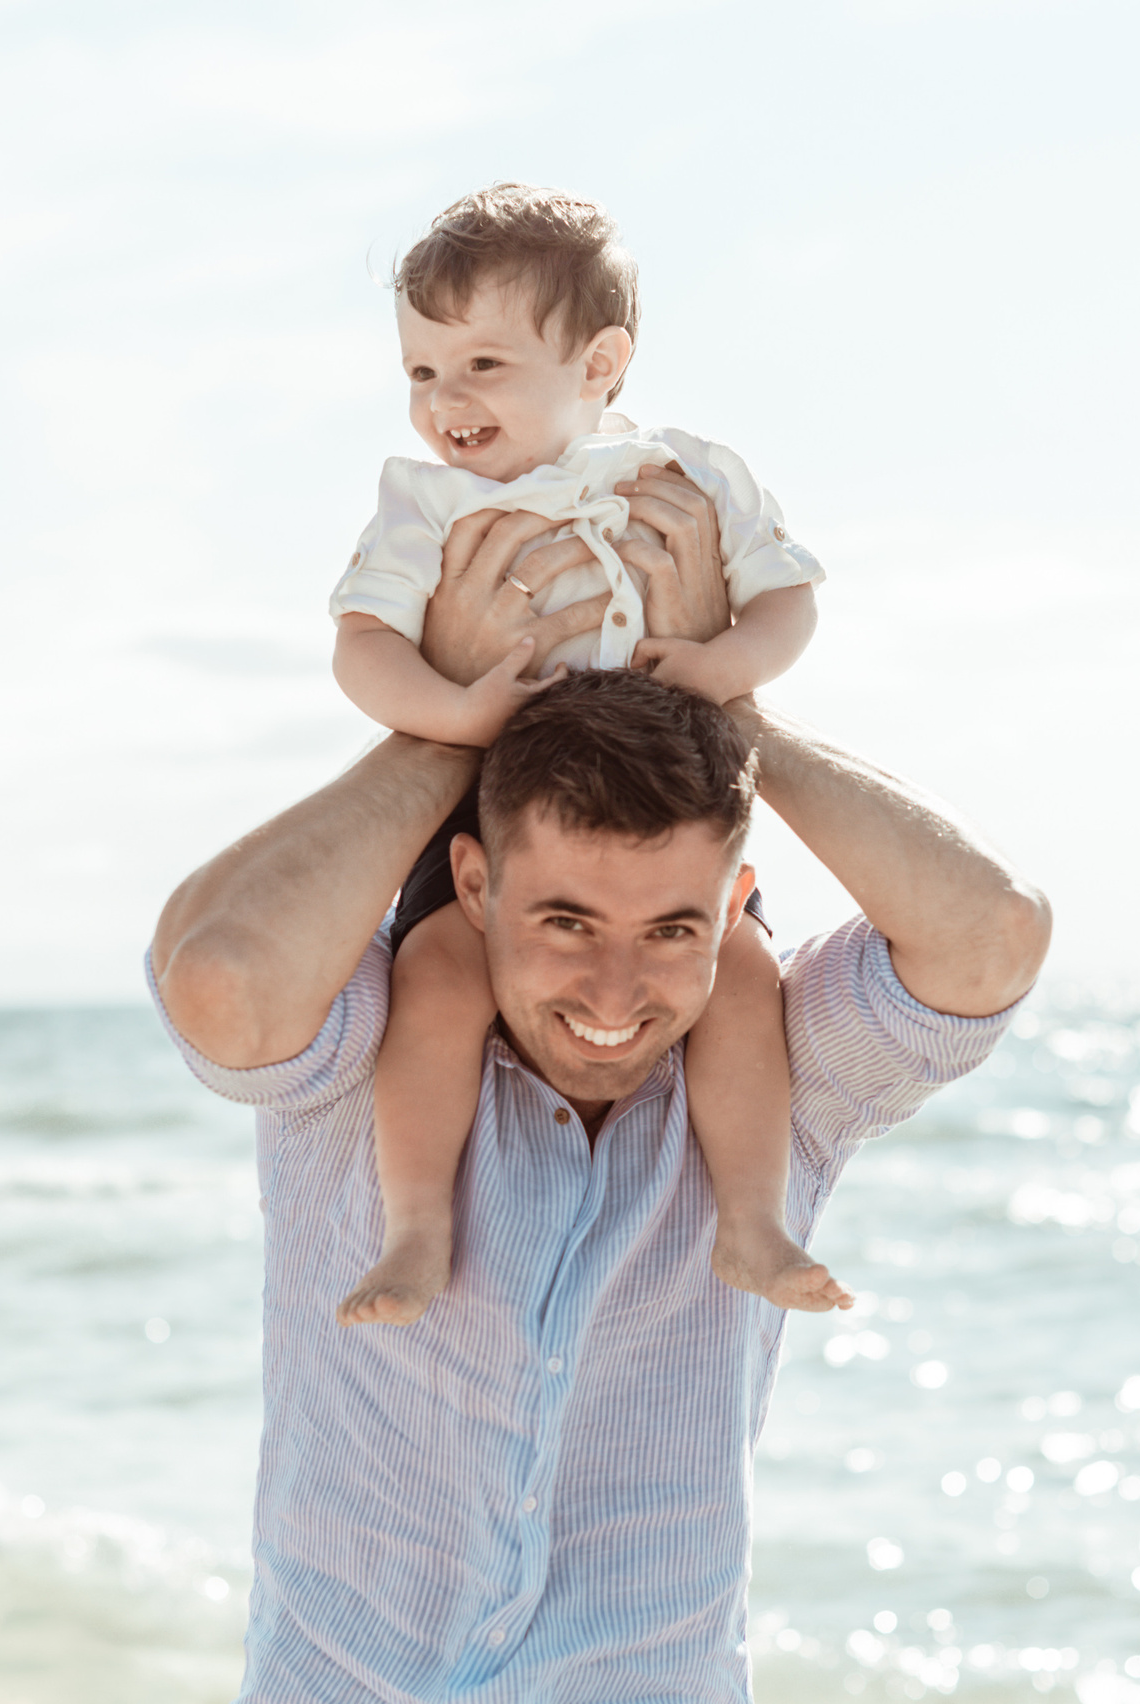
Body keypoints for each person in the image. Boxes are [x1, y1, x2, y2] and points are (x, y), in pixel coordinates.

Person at [146, 501, 1051, 1700]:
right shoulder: (371, 1045)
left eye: (672, 927)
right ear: (474, 884)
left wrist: (732, 718)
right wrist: (449, 726)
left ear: (732, 910)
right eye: (564, 921)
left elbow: (991, 933)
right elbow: (215, 975)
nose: (616, 991)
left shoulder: (783, 1069)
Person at [328, 184, 830, 1327]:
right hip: (495, 813)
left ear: (600, 363)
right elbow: (360, 648)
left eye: (483, 366)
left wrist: (723, 666)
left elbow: (789, 602)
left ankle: (752, 1224)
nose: (444, 401)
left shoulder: (691, 477)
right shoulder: (427, 503)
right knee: (441, 975)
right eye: (420, 373)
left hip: (661, 813)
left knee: (744, 976)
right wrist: (453, 712)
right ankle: (413, 1231)